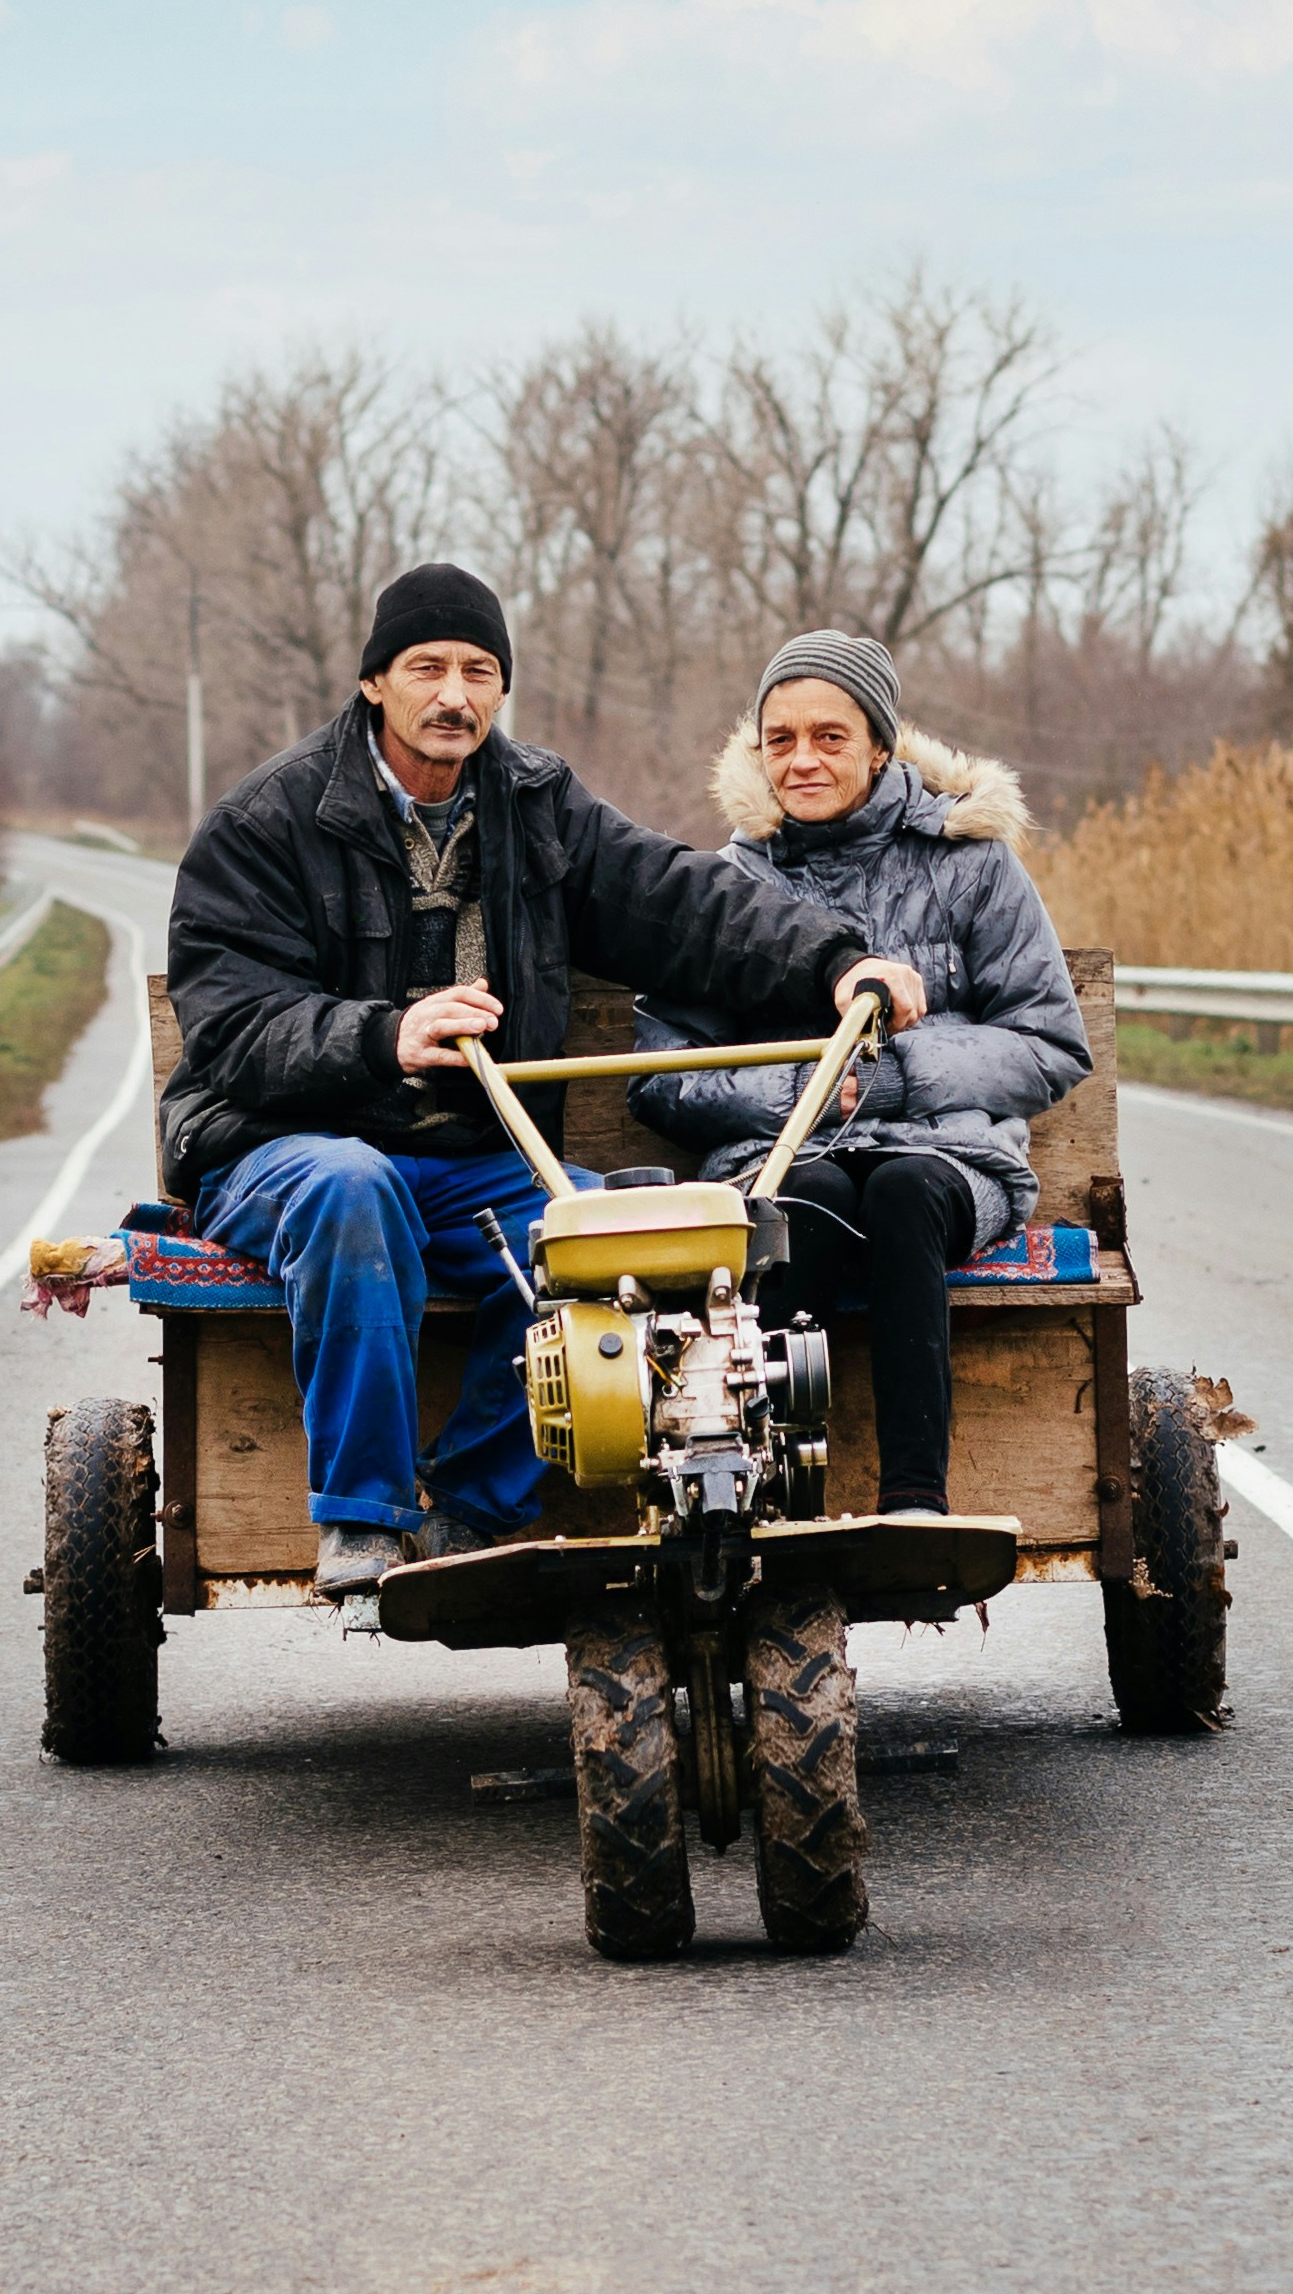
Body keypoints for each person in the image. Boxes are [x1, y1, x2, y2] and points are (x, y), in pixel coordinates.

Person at [161, 564, 927, 1601]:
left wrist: (836, 962)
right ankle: (365, 1521)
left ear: (500, 689)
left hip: (466, 1161)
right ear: (373, 683)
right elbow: (233, 1025)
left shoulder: (534, 803)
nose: (454, 695)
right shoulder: (265, 822)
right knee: (353, 1191)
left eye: (478, 671)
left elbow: (678, 901)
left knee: (616, 1231)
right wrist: (382, 1035)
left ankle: (470, 1509)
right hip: (276, 1146)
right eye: (426, 667)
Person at [633, 631, 1089, 1518]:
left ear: (880, 743)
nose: (802, 760)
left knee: (903, 1190)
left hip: (950, 1154)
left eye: (829, 736)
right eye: (781, 739)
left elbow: (1050, 1042)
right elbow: (661, 1075)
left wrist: (892, 1076)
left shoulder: (972, 863)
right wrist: (796, 1091)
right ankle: (771, 1506)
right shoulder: (727, 883)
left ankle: (915, 1500)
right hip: (777, 1154)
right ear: (759, 752)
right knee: (809, 1194)